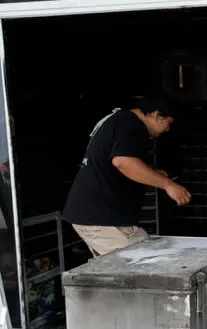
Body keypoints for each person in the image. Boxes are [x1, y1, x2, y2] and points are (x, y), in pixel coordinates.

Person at [63, 97, 191, 257]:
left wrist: (154, 174)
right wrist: (167, 184)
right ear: (157, 115)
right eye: (168, 123)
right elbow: (123, 162)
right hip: (99, 217)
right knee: (141, 266)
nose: (167, 130)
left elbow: (121, 163)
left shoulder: (121, 121)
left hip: (104, 216)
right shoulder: (131, 124)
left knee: (136, 261)